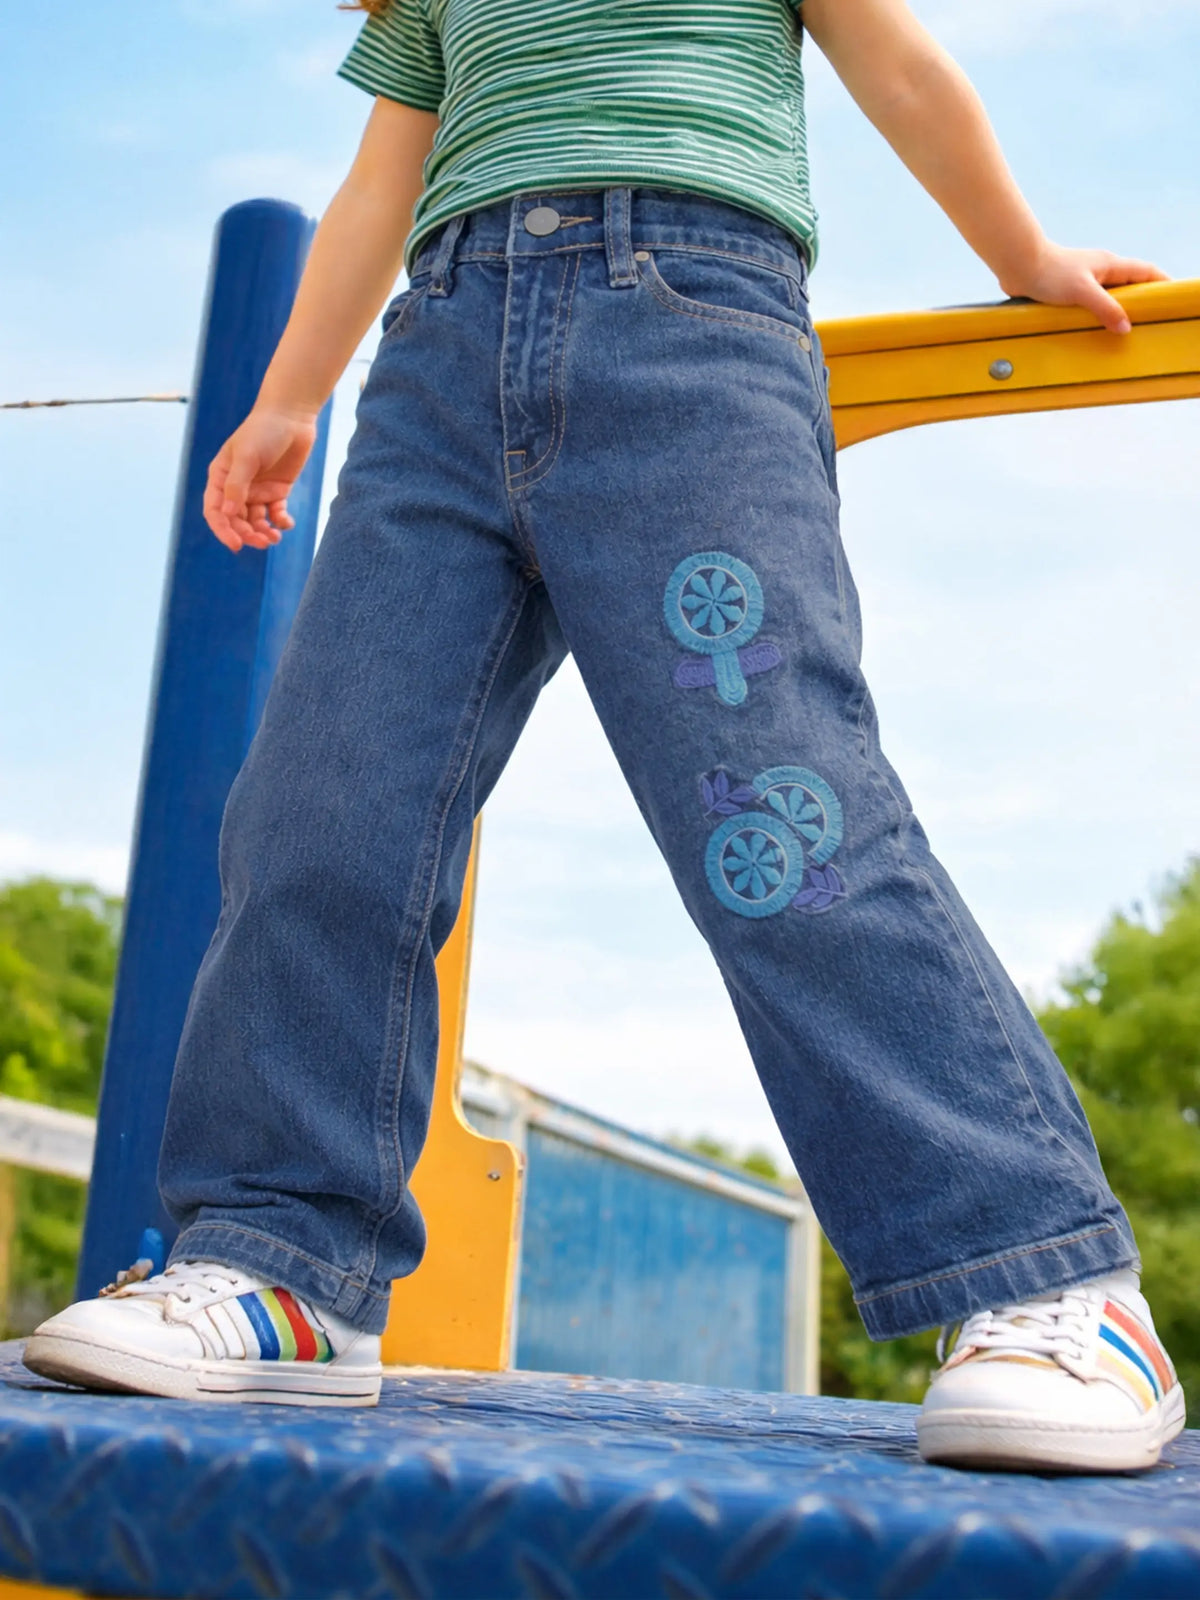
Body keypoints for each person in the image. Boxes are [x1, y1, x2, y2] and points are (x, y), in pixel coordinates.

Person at [24, 0, 1184, 1471]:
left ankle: (1043, 1277)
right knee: (321, 811)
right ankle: (278, 1264)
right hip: (434, 369)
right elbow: (382, 183)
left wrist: (1024, 260)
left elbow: (896, 60)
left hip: (687, 331)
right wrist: (286, 399)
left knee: (774, 813)